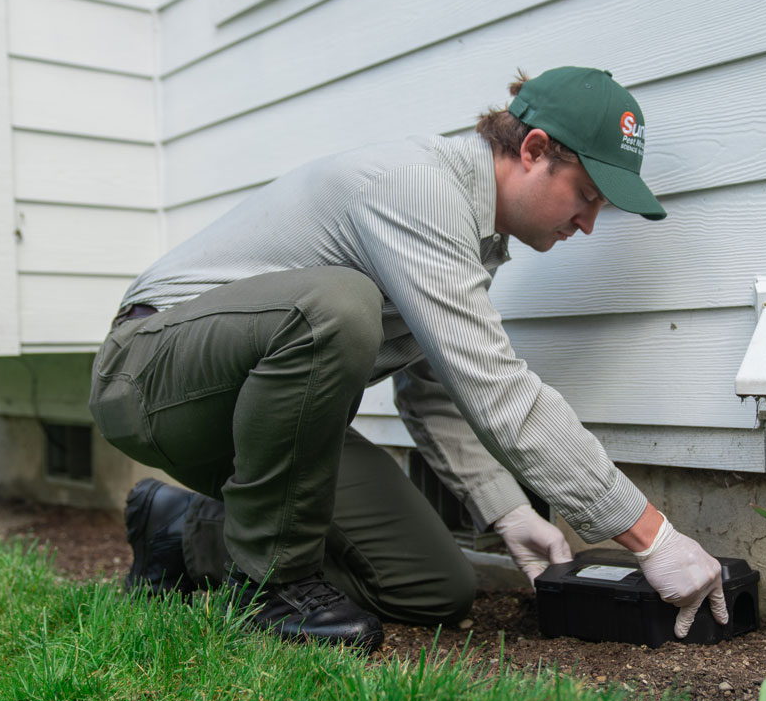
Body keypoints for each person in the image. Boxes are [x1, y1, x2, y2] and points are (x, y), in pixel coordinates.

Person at [89, 67, 728, 652]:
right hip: (149, 373)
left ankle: (182, 530)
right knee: (337, 304)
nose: (588, 223)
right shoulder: (415, 188)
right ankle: (270, 591)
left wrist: (506, 510)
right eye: (586, 195)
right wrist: (649, 534)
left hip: (267, 424)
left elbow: (432, 388)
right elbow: (499, 391)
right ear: (533, 151)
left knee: (431, 587)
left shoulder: (475, 242)